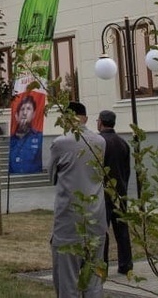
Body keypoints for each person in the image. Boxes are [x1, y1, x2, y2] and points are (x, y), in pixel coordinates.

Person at [50, 102, 107, 298]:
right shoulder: (100, 142)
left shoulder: (60, 143)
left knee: (68, 282)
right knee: (93, 282)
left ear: (66, 119)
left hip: (68, 221)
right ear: (86, 118)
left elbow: (52, 176)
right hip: (96, 218)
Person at [98, 109, 133, 275]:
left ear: (101, 122)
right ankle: (126, 264)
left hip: (103, 193)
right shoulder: (122, 142)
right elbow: (127, 169)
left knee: (102, 230)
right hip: (120, 191)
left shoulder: (99, 143)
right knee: (122, 230)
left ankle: (102, 265)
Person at [9, 91, 45, 174]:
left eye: (28, 109)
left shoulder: (38, 137)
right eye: (22, 109)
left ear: (33, 114)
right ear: (17, 116)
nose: (24, 113)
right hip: (15, 179)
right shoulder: (12, 140)